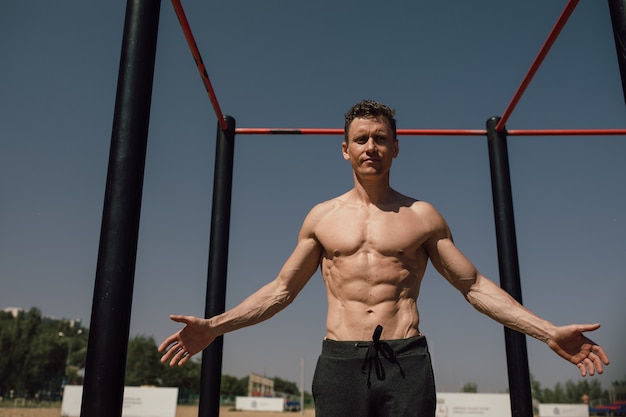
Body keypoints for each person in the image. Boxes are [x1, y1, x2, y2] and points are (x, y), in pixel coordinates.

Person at [159, 99, 610, 417]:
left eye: (380, 138)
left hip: (406, 360)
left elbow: (473, 287)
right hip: (339, 362)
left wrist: (547, 330)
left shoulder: (422, 216)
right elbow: (281, 290)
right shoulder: (321, 217)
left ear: (396, 146)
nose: (370, 146)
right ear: (345, 149)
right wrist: (215, 326)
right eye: (361, 139)